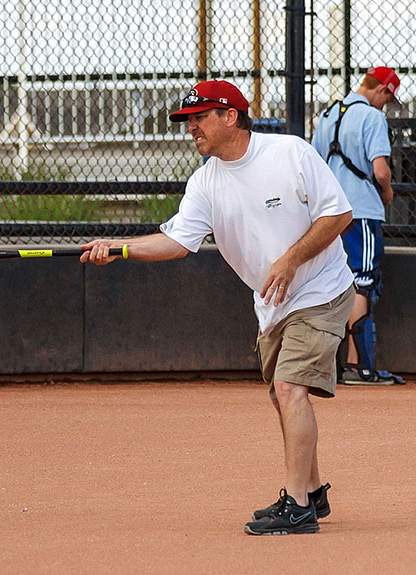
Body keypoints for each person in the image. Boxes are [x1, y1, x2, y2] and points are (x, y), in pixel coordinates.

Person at [82, 80, 355, 536]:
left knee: (289, 388)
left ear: (231, 117)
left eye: (200, 117)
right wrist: (119, 248)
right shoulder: (205, 181)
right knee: (282, 397)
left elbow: (338, 215)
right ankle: (312, 492)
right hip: (271, 302)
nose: (191, 128)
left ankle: (299, 508)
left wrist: (290, 259)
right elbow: (176, 241)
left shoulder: (290, 154)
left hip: (321, 289)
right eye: (188, 120)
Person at [311, 66, 406, 386]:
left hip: (327, 213)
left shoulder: (327, 115)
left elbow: (313, 166)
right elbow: (380, 170)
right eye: (388, 97)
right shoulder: (372, 117)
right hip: (360, 211)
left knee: (333, 282)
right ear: (381, 89)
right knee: (362, 283)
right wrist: (388, 191)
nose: (386, 104)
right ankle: (361, 367)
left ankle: (328, 365)